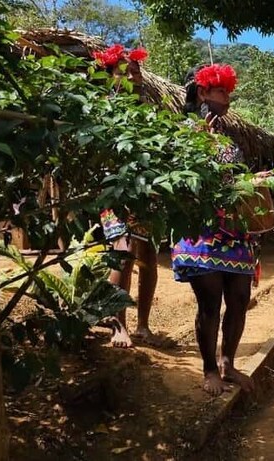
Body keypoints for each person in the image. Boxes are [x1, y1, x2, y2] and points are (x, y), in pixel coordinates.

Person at [170, 63, 257, 396]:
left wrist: (252, 183)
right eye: (222, 91)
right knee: (210, 303)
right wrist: (196, 146)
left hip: (235, 232)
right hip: (202, 232)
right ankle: (209, 369)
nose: (228, 97)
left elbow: (233, 179)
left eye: (229, 92)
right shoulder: (182, 130)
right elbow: (178, 176)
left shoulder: (225, 135)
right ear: (204, 91)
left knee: (239, 300)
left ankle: (228, 363)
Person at [92, 44, 158, 348]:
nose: (136, 76)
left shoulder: (146, 111)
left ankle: (142, 324)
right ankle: (118, 324)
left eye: (138, 70)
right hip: (116, 195)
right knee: (123, 250)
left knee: (148, 255)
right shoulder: (103, 109)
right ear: (112, 76)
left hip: (144, 195)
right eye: (129, 71)